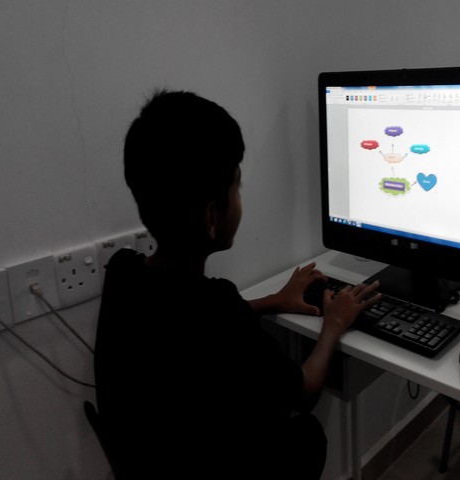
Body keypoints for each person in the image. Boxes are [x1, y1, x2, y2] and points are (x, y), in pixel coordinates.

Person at [93, 89, 381, 479]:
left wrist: (273, 300)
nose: (241, 199)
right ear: (212, 216)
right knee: (307, 434)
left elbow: (184, 319)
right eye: (237, 187)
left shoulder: (123, 272)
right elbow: (305, 392)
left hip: (153, 459)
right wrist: (334, 324)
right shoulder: (219, 312)